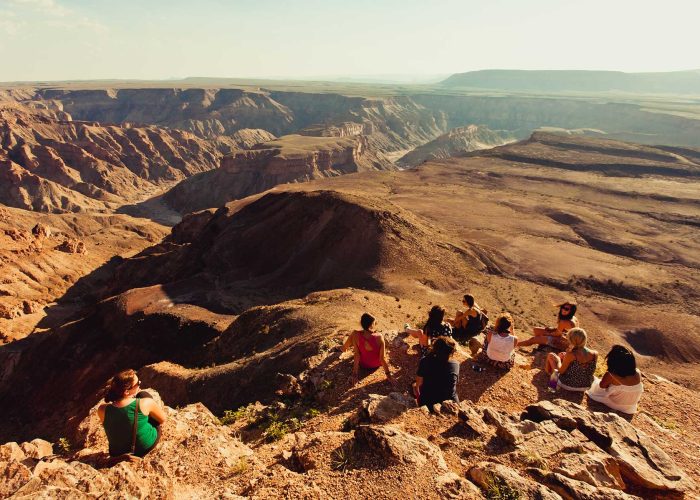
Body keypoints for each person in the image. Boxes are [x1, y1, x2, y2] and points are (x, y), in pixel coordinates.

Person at [97, 370, 167, 458]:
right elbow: (162, 419)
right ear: (126, 392)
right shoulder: (145, 402)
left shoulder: (102, 409)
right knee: (143, 394)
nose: (140, 384)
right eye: (138, 383)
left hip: (117, 453)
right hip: (143, 448)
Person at [587, 345, 643, 414]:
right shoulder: (637, 373)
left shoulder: (611, 375)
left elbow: (602, 386)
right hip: (629, 407)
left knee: (593, 385)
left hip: (615, 404)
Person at [343, 313, 395, 386]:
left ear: (362, 323)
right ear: (371, 325)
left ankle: (343, 348)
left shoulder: (355, 334)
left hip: (363, 364)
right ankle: (343, 348)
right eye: (374, 323)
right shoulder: (379, 337)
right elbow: (382, 358)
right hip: (376, 365)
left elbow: (357, 354)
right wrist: (388, 375)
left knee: (353, 335)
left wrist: (354, 374)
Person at [413, 336, 459, 409]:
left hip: (428, 403)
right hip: (450, 404)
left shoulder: (425, 361)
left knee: (414, 385)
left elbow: (419, 383)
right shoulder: (455, 365)